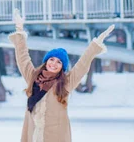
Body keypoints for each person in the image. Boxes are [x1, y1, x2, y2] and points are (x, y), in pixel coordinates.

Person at [9, 9, 114, 142]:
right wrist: (19, 28)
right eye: (51, 59)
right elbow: (22, 57)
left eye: (59, 62)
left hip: (56, 136)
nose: (54, 63)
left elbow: (82, 65)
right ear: (46, 61)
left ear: (62, 67)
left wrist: (95, 45)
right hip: (33, 134)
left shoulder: (66, 83)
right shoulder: (33, 77)